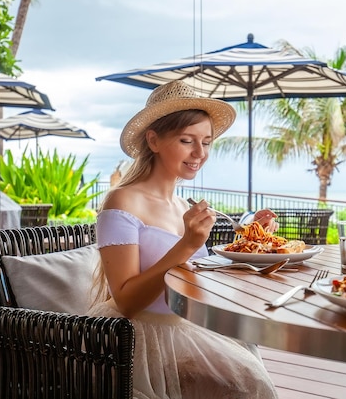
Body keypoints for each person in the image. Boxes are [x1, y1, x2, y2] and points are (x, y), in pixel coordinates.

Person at [87, 80, 279, 399]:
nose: (199, 153)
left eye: (206, 141)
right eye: (187, 140)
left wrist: (252, 241)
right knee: (248, 386)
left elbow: (195, 277)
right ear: (154, 140)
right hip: (142, 339)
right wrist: (187, 244)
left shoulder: (182, 206)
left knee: (249, 376)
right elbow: (127, 301)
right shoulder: (122, 202)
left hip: (189, 328)